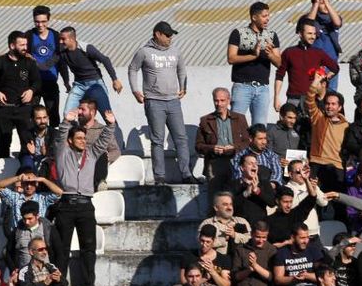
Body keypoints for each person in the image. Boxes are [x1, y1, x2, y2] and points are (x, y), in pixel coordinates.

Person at [53, 106, 115, 286]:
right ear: (70, 141)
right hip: (66, 204)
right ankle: (60, 283)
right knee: (62, 248)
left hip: (86, 205)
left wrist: (110, 125)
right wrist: (65, 122)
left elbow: (103, 141)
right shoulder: (63, 153)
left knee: (88, 247)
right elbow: (59, 139)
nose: (83, 141)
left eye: (84, 138)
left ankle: (89, 282)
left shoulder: (92, 154)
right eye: (79, 138)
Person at [129, 21, 194, 184]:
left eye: (171, 35)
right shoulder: (144, 52)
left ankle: (186, 174)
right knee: (158, 140)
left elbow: (182, 69)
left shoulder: (175, 51)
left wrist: (183, 87)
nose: (170, 38)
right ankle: (159, 177)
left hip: (173, 101)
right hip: (154, 101)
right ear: (157, 34)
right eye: (167, 35)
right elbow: (132, 69)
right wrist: (135, 90)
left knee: (181, 138)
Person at [228, 1, 282, 126]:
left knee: (260, 126)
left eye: (268, 16)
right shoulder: (238, 33)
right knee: (236, 124)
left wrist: (270, 55)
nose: (267, 19)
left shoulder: (271, 35)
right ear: (254, 17)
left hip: (262, 88)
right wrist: (252, 56)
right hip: (242, 86)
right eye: (264, 16)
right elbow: (231, 58)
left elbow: (280, 63)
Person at [195, 88, 251, 192]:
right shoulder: (205, 120)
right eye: (216, 100)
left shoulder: (240, 118)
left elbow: (247, 142)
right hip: (215, 162)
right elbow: (198, 146)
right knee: (215, 199)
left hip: (236, 162)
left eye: (222, 100)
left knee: (236, 198)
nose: (219, 104)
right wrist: (212, 148)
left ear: (229, 100)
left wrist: (235, 147)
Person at [58, 26, 122, 114]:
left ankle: (115, 128)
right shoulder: (62, 52)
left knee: (107, 114)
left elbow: (105, 59)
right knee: (68, 114)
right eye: (60, 39)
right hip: (79, 85)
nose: (60, 41)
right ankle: (74, 128)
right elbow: (62, 66)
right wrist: (66, 83)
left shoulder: (86, 48)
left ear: (72, 39)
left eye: (63, 39)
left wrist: (115, 79)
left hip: (95, 84)